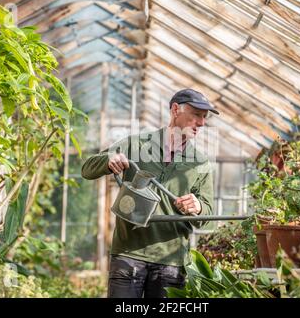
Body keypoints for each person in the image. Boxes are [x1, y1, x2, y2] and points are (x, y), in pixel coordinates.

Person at [81, 88, 219, 298]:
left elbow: (210, 220)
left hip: (171, 262)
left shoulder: (200, 162)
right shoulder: (136, 145)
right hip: (128, 255)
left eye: (204, 117)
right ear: (175, 110)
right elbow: (87, 169)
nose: (201, 123)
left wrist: (198, 207)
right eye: (196, 115)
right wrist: (108, 161)